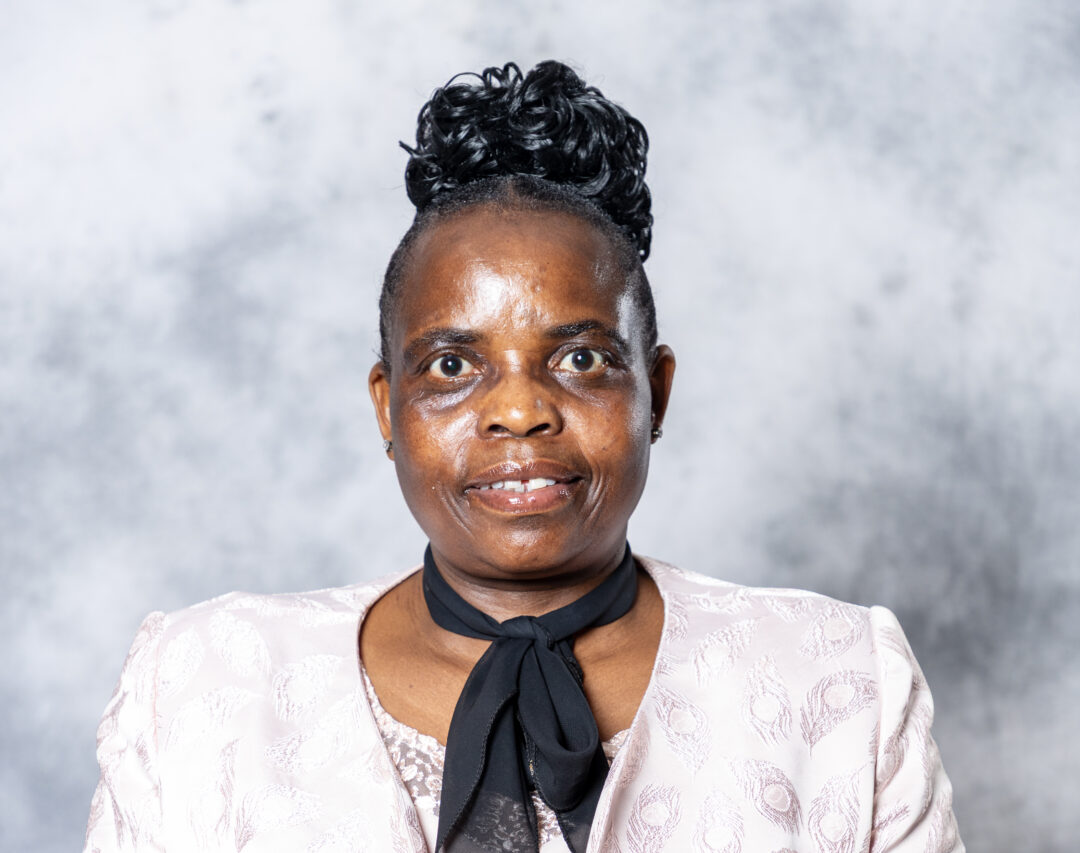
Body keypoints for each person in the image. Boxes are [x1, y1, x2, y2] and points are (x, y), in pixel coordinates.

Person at [84, 61, 963, 853]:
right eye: (452, 366)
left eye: (581, 358)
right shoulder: (199, 688)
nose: (519, 410)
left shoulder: (841, 677)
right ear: (388, 406)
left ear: (655, 394)